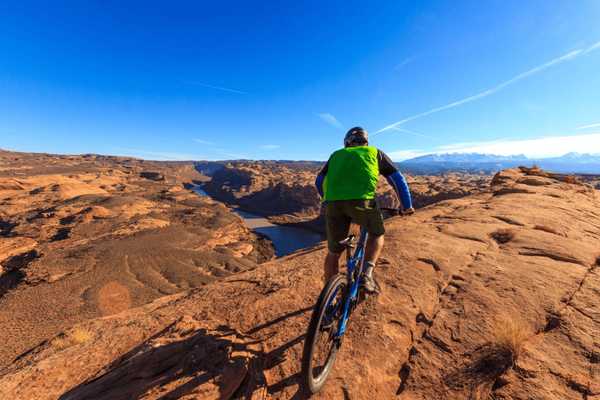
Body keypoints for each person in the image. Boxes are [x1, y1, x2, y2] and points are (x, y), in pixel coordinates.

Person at [315, 126, 414, 293]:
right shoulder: (375, 152)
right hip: (363, 202)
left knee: (333, 252)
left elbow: (319, 181)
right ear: (366, 142)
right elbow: (398, 180)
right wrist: (406, 206)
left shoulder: (336, 155)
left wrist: (327, 198)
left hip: (333, 205)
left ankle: (330, 295)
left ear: (346, 142)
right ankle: (366, 275)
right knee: (376, 234)